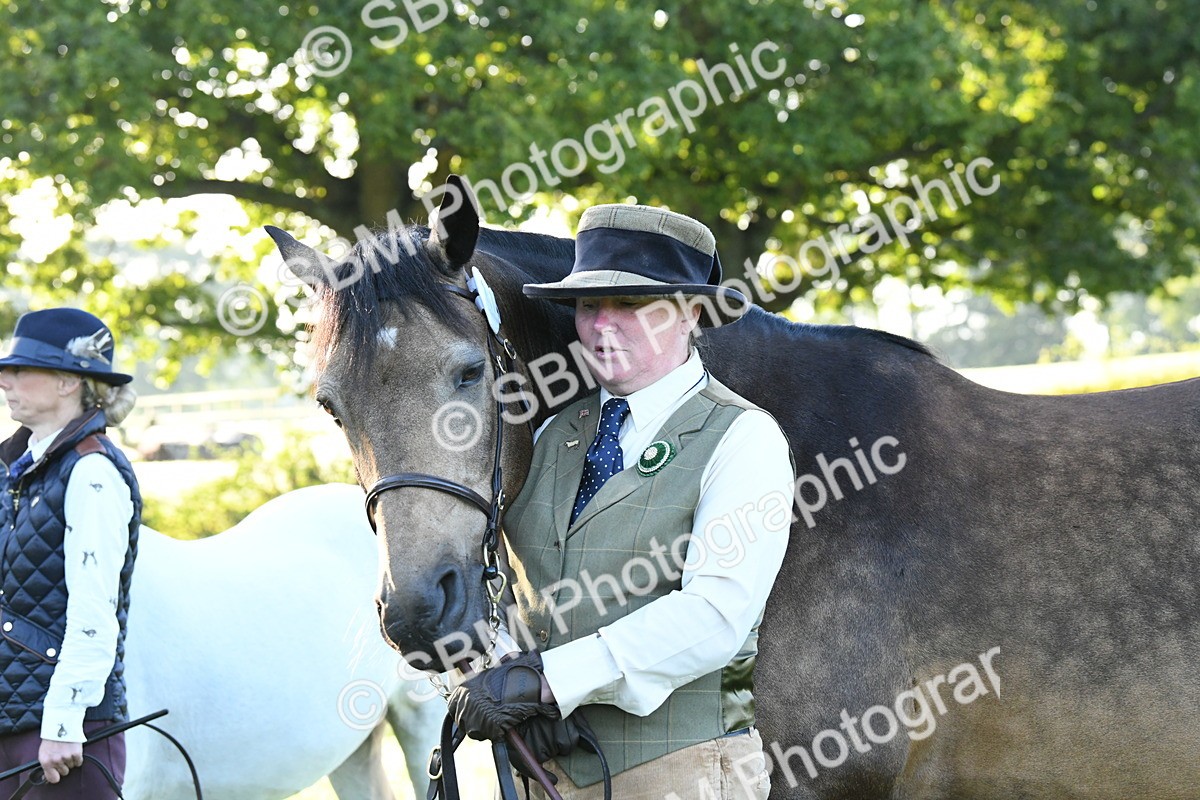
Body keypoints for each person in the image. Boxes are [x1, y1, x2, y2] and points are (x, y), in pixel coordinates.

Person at [449, 205, 796, 798]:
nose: (602, 326)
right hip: (546, 775)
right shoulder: (546, 434)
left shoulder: (745, 437)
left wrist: (547, 682)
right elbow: (507, 580)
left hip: (687, 776)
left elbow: (715, 613)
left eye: (630, 305)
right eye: (588, 306)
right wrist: (501, 668)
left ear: (690, 313)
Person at [0, 308, 141, 797]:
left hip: (63, 738)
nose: (5, 381)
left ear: (67, 381)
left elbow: (94, 610)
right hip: (12, 724)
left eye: (21, 369)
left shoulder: (92, 473)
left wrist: (62, 721)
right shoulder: (14, 470)